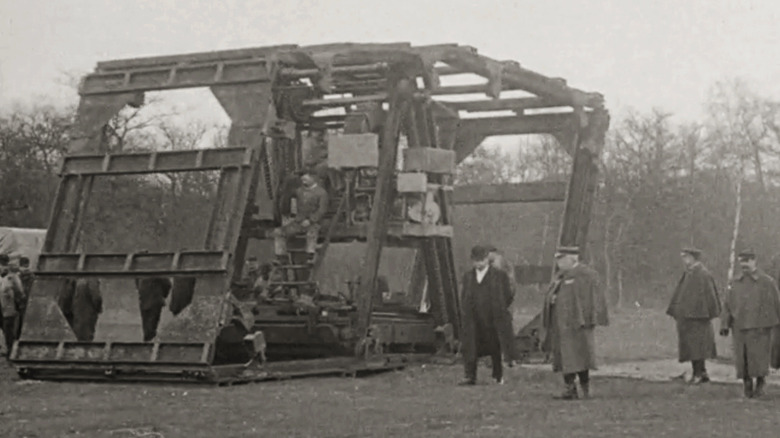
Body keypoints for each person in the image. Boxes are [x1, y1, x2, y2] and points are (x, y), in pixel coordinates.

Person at [542, 246, 608, 400]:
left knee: (581, 356)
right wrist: (551, 300)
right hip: (561, 324)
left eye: (561, 259)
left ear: (572, 259)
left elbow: (592, 298)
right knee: (565, 357)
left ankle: (585, 388)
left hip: (578, 324)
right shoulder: (560, 276)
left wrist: (589, 317)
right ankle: (569, 388)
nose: (558, 263)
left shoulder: (586, 275)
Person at [720, 249, 780, 398]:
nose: (744, 265)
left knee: (759, 359)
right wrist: (724, 324)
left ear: (754, 261)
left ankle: (760, 384)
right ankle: (747, 384)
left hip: (760, 327)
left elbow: (776, 303)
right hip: (739, 327)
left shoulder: (767, 282)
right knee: (742, 359)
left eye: (747, 261)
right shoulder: (734, 282)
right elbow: (727, 304)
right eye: (742, 262)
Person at [458, 245, 514, 386]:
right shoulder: (468, 277)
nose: (479, 264)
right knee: (470, 347)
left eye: (482, 260)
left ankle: (497, 375)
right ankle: (470, 376)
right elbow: (464, 295)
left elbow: (508, 294)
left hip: (493, 318)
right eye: (476, 261)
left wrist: (499, 309)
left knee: (495, 347)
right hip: (473, 319)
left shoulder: (499, 276)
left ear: (487, 260)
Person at [666, 247, 721, 384]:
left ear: (692, 257)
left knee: (698, 347)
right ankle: (700, 373)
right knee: (691, 346)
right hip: (687, 317)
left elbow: (710, 296)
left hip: (698, 318)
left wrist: (705, 313)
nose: (684, 260)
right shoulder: (689, 273)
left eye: (686, 256)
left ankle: (699, 373)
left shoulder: (702, 274)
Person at [272, 170, 329, 261]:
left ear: (313, 178)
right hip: (298, 223)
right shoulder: (299, 191)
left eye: (306, 179)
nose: (303, 181)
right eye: (303, 179)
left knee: (312, 233)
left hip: (314, 223)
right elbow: (287, 195)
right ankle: (281, 257)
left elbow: (322, 210)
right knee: (279, 232)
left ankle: (310, 256)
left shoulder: (322, 193)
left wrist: (310, 220)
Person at [486, 245, 518, 367]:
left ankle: (504, 358)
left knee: (501, 332)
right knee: (505, 331)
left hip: (500, 305)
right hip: (503, 304)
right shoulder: (503, 264)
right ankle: (508, 358)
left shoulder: (498, 265)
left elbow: (506, 287)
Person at [0, 255, 24, 356]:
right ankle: (7, 349)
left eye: (4, 264)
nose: (3, 266)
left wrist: (18, 305)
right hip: (2, 307)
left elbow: (20, 292)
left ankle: (11, 351)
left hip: (9, 308)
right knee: (7, 329)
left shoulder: (12, 277)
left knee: (8, 330)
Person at [136, 277, 172, 342]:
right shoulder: (143, 270)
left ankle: (148, 343)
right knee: (148, 326)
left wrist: (162, 295)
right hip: (148, 301)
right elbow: (167, 284)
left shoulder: (154, 269)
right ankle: (149, 343)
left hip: (151, 301)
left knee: (149, 326)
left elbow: (167, 284)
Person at [15, 257, 34, 338]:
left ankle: (16, 336)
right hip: (27, 298)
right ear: (28, 264)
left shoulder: (16, 275)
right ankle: (22, 335)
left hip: (17, 299)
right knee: (24, 318)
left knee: (16, 318)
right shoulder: (32, 275)